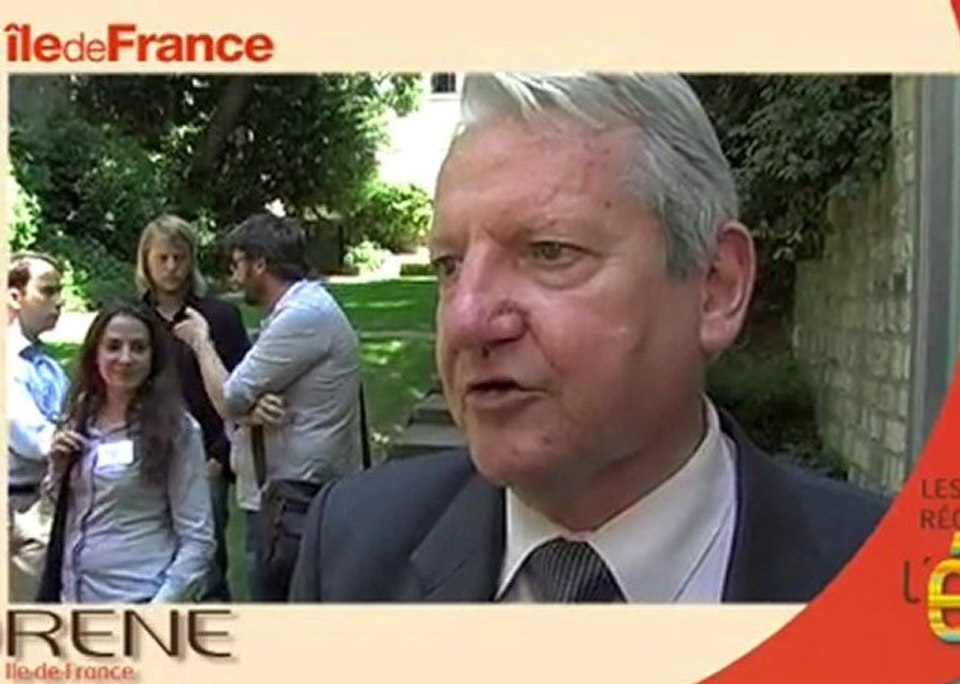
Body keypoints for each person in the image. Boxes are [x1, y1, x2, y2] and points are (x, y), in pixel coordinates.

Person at [289, 73, 889, 604]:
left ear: (715, 287)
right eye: (449, 266)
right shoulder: (350, 548)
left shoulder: (890, 581)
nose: (467, 319)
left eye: (550, 252)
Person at [173, 213, 364, 601]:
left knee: (278, 614)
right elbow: (249, 396)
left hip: (293, 501)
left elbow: (229, 396)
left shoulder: (303, 316)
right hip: (291, 494)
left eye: (237, 264)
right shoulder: (299, 310)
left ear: (259, 264)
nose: (233, 276)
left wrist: (201, 342)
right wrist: (248, 410)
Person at [36, 301, 216, 603]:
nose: (125, 358)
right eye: (113, 346)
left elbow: (198, 539)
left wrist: (159, 608)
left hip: (137, 598)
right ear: (95, 353)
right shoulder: (79, 417)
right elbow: (62, 507)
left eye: (139, 348)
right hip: (74, 597)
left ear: (154, 358)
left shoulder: (177, 430)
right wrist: (57, 468)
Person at [136, 214, 251, 602]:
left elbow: (242, 390)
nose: (171, 267)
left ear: (192, 260)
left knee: (208, 566)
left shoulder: (219, 317)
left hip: (207, 458)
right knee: (150, 561)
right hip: (146, 455)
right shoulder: (133, 320)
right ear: (146, 261)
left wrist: (221, 455)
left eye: (179, 258)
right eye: (162, 258)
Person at [7, 251, 70, 602]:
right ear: (14, 296)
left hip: (42, 502)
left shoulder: (46, 363)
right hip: (18, 507)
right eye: (47, 291)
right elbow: (34, 440)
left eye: (59, 290)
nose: (58, 301)